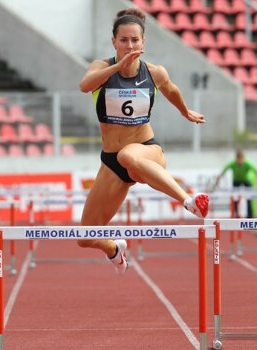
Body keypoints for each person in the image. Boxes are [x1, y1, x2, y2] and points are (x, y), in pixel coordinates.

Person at [77, 8, 209, 274]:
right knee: (85, 237)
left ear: (143, 42)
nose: (129, 45)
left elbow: (171, 89)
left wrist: (185, 112)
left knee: (129, 155)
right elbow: (84, 85)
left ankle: (189, 201)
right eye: (123, 40)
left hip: (147, 150)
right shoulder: (102, 68)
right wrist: (118, 67)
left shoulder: (154, 72)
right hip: (112, 161)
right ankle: (115, 250)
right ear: (113, 41)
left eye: (135, 40)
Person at [212, 148, 257, 218]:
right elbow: (223, 172)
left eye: (242, 159)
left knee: (249, 198)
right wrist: (217, 180)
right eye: (239, 159)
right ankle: (236, 215)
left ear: (244, 158)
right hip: (236, 181)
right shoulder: (232, 164)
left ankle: (250, 216)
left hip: (245, 180)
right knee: (235, 199)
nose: (240, 161)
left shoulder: (247, 163)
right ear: (236, 159)